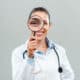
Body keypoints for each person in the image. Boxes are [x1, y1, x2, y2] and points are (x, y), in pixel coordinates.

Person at [11, 7, 74, 80]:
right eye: (35, 22)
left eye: (44, 23)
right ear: (29, 24)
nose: (40, 27)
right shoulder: (18, 52)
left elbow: (69, 76)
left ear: (49, 26)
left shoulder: (59, 51)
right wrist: (30, 56)